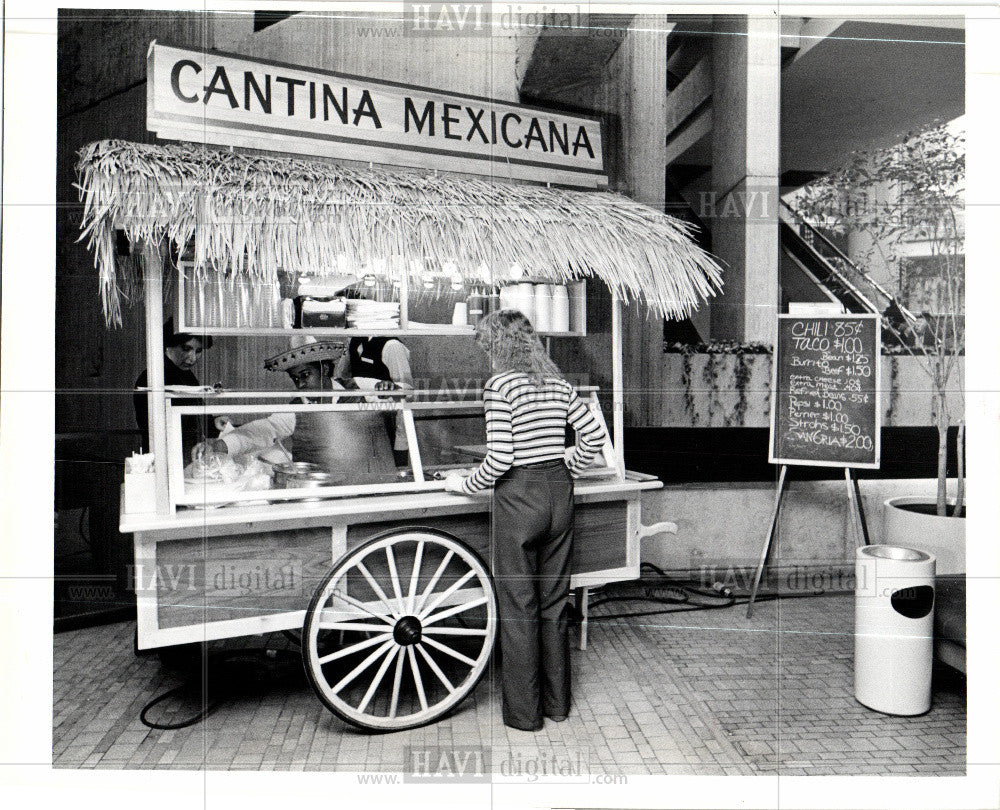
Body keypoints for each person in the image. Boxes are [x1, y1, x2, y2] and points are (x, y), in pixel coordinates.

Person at [443, 309, 607, 731]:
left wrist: (464, 484)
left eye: (486, 346)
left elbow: (501, 458)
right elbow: (593, 436)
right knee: (554, 605)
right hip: (558, 493)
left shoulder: (500, 386)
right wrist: (570, 463)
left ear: (497, 347)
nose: (485, 355)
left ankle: (524, 716)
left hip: (519, 499)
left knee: (518, 608)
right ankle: (557, 706)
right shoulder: (559, 383)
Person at [193, 337, 396, 483]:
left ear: (324, 369)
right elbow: (264, 429)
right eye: (296, 378)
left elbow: (407, 395)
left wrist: (391, 390)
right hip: (321, 490)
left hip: (371, 483)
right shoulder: (297, 407)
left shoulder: (359, 386)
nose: (300, 384)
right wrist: (220, 445)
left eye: (305, 375)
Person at [133, 318, 216, 455]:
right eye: (186, 349)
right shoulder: (154, 377)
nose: (193, 358)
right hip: (165, 454)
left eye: (198, 351)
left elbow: (197, 414)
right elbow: (157, 428)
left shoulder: (187, 376)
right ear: (168, 345)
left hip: (186, 453)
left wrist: (214, 423)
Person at [336, 336, 413, 465]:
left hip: (386, 429)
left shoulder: (392, 346)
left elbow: (407, 394)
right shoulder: (353, 340)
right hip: (357, 426)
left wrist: (401, 446)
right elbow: (342, 377)